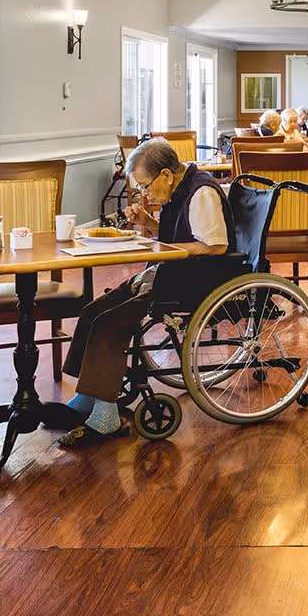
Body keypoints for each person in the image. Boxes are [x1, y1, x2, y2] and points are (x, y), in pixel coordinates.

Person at [54, 138, 230, 447]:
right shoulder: (179, 187)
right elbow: (178, 231)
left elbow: (215, 245)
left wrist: (165, 249)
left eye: (146, 187)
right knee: (94, 310)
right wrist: (148, 223)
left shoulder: (201, 192)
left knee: (111, 321)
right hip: (170, 272)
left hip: (196, 279)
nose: (146, 194)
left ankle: (106, 415)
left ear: (165, 175)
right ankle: (86, 396)